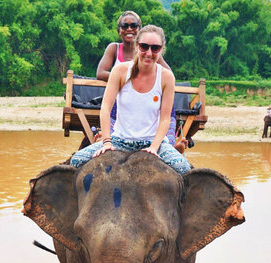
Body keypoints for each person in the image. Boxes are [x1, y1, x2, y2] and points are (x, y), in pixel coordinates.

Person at [70, 25, 191, 175]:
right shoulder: (120, 71)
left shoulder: (166, 77)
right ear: (136, 46)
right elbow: (106, 109)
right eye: (144, 46)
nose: (149, 53)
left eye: (155, 48)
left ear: (161, 50)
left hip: (153, 143)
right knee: (76, 160)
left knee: (184, 168)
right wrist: (107, 142)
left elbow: (165, 119)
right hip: (120, 141)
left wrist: (154, 147)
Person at [96, 12, 187, 153]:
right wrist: (124, 80)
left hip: (152, 111)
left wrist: (148, 75)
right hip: (121, 104)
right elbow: (100, 73)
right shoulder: (115, 53)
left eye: (133, 25)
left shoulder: (154, 59)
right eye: (124, 25)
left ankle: (168, 145)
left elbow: (168, 75)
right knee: (78, 160)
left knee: (182, 167)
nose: (129, 29)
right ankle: (104, 137)